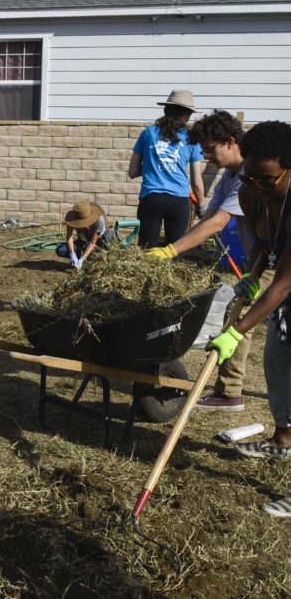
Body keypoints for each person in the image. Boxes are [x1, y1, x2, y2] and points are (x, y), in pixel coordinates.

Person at [147, 111, 263, 412]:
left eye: (211, 149)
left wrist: (171, 251)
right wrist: (177, 245)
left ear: (231, 141)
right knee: (234, 315)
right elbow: (208, 217)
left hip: (278, 259)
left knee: (274, 330)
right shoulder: (229, 178)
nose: (208, 157)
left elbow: (217, 225)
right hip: (260, 259)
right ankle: (229, 393)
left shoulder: (248, 178)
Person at [206, 120, 291, 517]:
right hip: (283, 291)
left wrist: (236, 332)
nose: (255, 186)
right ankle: (282, 441)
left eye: (266, 179)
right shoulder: (252, 193)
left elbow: (286, 281)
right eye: (250, 177)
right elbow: (268, 249)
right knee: (278, 369)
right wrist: (252, 278)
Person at [128, 89, 204, 248]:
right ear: (185, 115)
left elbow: (133, 172)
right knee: (175, 251)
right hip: (179, 201)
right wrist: (201, 205)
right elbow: (196, 181)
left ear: (166, 110)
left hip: (151, 199)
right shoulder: (191, 139)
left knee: (147, 250)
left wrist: (153, 166)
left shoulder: (148, 133)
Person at [56, 200, 114, 269]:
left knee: (109, 235)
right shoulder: (72, 220)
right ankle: (78, 259)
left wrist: (83, 259)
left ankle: (98, 256)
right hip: (84, 242)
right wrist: (72, 254)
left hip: (98, 242)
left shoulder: (99, 219)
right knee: (60, 250)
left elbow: (93, 242)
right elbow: (69, 237)